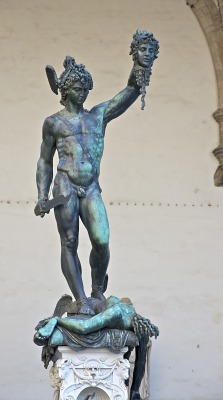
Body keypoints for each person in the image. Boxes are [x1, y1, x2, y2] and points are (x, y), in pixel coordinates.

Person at [35, 32, 159, 315]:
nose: (83, 92)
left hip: (91, 186)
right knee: (69, 241)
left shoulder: (98, 116)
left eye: (86, 87)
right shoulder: (53, 123)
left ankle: (97, 291)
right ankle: (80, 299)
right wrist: (42, 194)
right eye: (78, 87)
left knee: (101, 240)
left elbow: (128, 92)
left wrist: (141, 64)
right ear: (65, 90)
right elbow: (44, 160)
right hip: (65, 185)